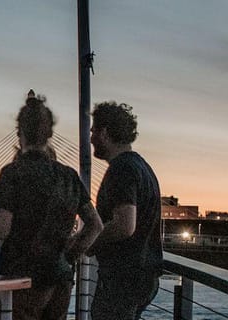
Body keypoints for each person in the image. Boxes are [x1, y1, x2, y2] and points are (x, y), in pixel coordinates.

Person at [0, 92, 102, 320]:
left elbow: (2, 227)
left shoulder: (13, 173)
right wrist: (69, 256)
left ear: (20, 133)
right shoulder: (69, 176)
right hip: (60, 278)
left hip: (22, 278)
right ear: (50, 134)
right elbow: (95, 225)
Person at [86, 101, 162, 319]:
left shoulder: (122, 169)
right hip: (143, 275)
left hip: (123, 278)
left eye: (93, 131)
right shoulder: (142, 167)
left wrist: (89, 241)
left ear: (105, 133)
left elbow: (124, 225)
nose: (91, 138)